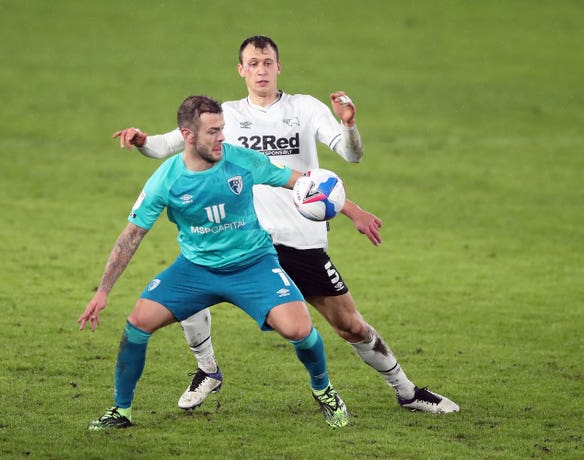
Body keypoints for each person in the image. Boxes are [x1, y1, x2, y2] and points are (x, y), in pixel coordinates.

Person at [114, 36, 459, 414]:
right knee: (190, 286)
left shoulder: (305, 108)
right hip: (245, 241)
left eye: (267, 62)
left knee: (350, 326)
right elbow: (166, 144)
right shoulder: (225, 117)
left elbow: (349, 155)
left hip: (301, 241)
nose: (261, 70)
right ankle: (207, 369)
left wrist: (349, 127)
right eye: (253, 63)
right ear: (241, 70)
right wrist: (141, 140)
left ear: (279, 67)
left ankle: (406, 392)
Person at [79, 95, 349, 430]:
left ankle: (323, 390)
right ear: (188, 136)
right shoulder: (166, 179)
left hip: (254, 264)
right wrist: (103, 292)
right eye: (212, 132)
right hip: (196, 269)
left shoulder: (242, 161)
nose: (222, 137)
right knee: (137, 322)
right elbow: (131, 236)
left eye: (222, 129)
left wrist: (345, 205)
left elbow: (302, 183)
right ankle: (120, 411)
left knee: (300, 329)